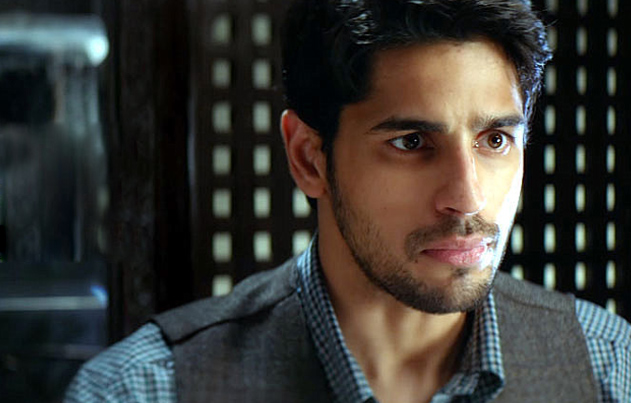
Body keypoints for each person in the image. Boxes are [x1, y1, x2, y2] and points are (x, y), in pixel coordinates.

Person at [65, 0, 631, 402]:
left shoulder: (609, 367)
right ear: (309, 159)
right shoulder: (144, 390)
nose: (467, 197)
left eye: (496, 140)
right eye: (412, 142)